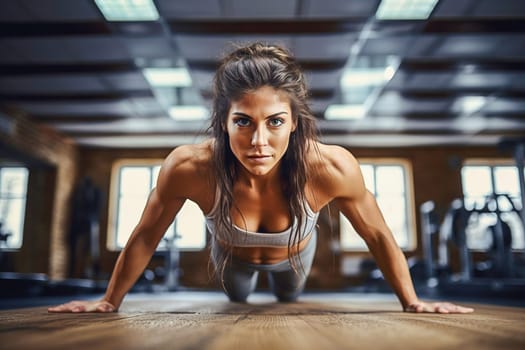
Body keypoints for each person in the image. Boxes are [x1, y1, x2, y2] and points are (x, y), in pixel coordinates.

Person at [49, 42, 473, 314]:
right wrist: (109, 302)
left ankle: (286, 288)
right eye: (242, 122)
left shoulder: (331, 167)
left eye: (274, 122)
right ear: (222, 121)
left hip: (295, 258)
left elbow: (379, 236)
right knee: (238, 300)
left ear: (294, 123)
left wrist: (413, 302)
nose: (259, 141)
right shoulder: (189, 167)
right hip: (231, 261)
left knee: (288, 298)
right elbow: (145, 236)